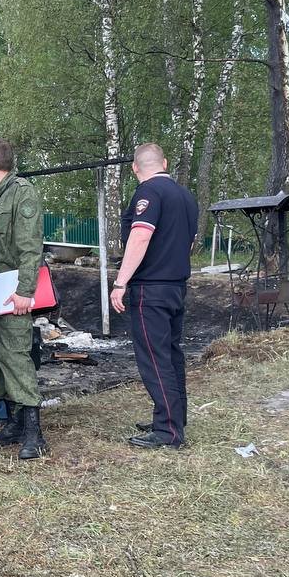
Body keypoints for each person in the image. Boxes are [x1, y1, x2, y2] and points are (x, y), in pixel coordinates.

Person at [110, 142, 200, 449]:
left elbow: (141, 235)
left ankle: (168, 432)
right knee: (171, 356)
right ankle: (174, 418)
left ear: (135, 168)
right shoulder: (186, 196)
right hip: (176, 286)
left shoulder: (148, 192)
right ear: (165, 162)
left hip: (150, 288)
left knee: (155, 358)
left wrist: (121, 282)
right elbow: (189, 243)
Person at [0, 137, 47, 460]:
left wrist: (26, 293)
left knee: (16, 355)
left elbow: (31, 247)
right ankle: (14, 422)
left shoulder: (22, 194)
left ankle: (34, 432)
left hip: (14, 289)